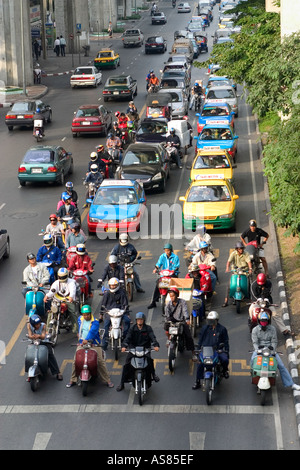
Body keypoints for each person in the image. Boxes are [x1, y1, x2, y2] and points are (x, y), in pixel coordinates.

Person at [66, 304, 114, 388]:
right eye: (84, 315)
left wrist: (86, 340)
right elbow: (80, 328)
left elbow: (92, 332)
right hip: (82, 343)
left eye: (88, 314)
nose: (86, 316)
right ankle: (73, 380)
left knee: (100, 361)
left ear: (90, 313)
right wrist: (79, 336)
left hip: (94, 343)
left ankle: (107, 380)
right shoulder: (80, 319)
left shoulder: (95, 321)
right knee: (75, 361)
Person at [251, 311, 300, 391]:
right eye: (262, 321)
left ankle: (291, 384)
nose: (264, 322)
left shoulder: (272, 329)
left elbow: (274, 341)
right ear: (259, 321)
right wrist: (257, 350)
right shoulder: (255, 330)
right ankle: (254, 377)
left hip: (270, 351)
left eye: (265, 321)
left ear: (268, 321)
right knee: (252, 361)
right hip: (259, 350)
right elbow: (255, 342)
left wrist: (272, 349)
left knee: (281, 365)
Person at [116, 312, 160, 391]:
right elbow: (127, 338)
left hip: (145, 349)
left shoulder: (148, 328)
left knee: (150, 361)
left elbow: (152, 337)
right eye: (138, 320)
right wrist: (124, 346)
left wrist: (156, 345)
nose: (139, 321)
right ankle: (122, 383)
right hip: (133, 349)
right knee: (126, 364)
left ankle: (153, 375)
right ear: (136, 320)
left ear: (144, 320)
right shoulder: (132, 329)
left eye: (141, 320)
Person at [192, 311, 229, 389]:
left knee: (225, 359)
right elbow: (200, 340)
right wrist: (198, 350)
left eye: (212, 320)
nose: (210, 322)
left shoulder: (222, 329)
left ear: (216, 320)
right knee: (200, 364)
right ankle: (197, 381)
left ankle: (225, 371)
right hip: (206, 350)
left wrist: (226, 351)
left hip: (217, 350)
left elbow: (226, 341)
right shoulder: (205, 328)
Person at [27, 314, 63, 381]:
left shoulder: (43, 325)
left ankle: (57, 372)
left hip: (44, 342)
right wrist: (32, 337)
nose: (38, 325)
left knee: (49, 354)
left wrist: (39, 336)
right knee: (29, 355)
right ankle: (29, 373)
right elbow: (29, 335)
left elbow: (43, 336)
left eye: (38, 324)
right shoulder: (29, 326)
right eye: (36, 325)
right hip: (35, 342)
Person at [44, 267, 78, 333]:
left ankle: (76, 329)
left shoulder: (71, 282)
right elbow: (52, 291)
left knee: (72, 312)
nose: (62, 278)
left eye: (63, 277)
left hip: (67, 300)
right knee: (51, 312)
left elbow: (73, 291)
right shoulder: (56, 283)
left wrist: (71, 297)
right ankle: (47, 331)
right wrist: (47, 296)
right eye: (60, 277)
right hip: (57, 300)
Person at [99, 277, 130, 351]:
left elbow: (125, 304)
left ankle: (125, 338)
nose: (113, 287)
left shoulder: (122, 293)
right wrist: (101, 313)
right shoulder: (107, 294)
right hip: (109, 314)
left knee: (127, 321)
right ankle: (105, 343)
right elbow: (103, 304)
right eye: (111, 285)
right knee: (106, 326)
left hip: (120, 313)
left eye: (114, 285)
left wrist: (126, 312)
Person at [148, 243, 180, 309]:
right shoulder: (162, 256)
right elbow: (158, 264)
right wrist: (155, 269)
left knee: (176, 287)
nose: (167, 252)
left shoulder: (175, 257)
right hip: (164, 275)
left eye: (168, 250)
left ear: (171, 250)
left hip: (172, 275)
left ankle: (177, 301)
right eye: (165, 250)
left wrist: (174, 270)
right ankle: (154, 302)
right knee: (157, 285)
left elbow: (176, 266)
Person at [164, 287, 195, 354]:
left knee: (188, 336)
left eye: (173, 296)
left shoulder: (182, 302)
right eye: (170, 296)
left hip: (181, 321)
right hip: (172, 321)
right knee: (166, 327)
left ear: (177, 295)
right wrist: (167, 319)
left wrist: (187, 319)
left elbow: (185, 311)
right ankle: (169, 338)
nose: (172, 297)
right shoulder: (169, 304)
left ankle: (193, 352)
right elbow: (167, 313)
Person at [223, 241, 252, 307]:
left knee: (249, 284)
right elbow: (229, 261)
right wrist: (227, 268)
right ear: (236, 249)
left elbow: (249, 262)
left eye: (242, 248)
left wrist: (250, 269)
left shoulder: (246, 254)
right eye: (239, 249)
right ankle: (226, 300)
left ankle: (251, 300)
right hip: (235, 272)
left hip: (244, 272)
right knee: (229, 285)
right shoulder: (233, 254)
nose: (241, 250)